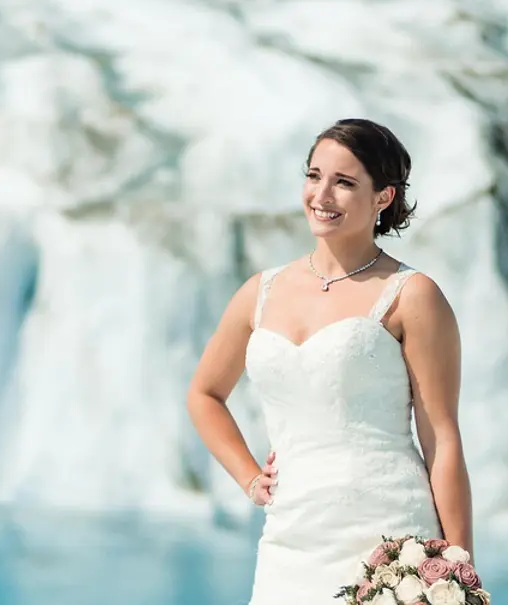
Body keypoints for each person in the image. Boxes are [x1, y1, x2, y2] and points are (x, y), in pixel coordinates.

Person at [186, 118, 478, 603]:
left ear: (383, 197)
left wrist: (458, 573)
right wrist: (249, 476)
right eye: (313, 175)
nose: (321, 195)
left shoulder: (412, 296)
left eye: (344, 182)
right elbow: (204, 394)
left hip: (388, 540)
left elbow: (441, 438)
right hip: (289, 540)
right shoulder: (260, 292)